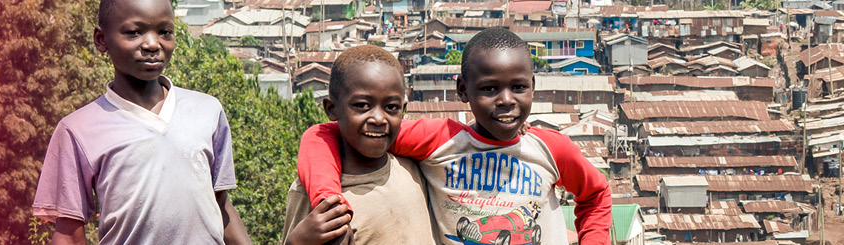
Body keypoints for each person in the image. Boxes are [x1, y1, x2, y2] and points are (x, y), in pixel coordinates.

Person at [296, 27, 612, 244]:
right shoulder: (441, 139)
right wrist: (329, 202)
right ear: (463, 90)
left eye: (518, 87)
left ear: (533, 87)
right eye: (490, 88)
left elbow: (596, 195)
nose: (506, 100)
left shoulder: (549, 149)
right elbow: (323, 135)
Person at [31, 0, 249, 243]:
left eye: (165, 32)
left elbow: (220, 204)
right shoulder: (77, 130)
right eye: (134, 32)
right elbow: (69, 234)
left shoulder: (207, 110)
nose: (153, 44)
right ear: (101, 39)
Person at [281, 45, 435, 245]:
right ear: (332, 109)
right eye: (362, 105)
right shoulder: (311, 195)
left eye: (391, 107)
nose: (379, 119)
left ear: (403, 110)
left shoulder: (411, 167)